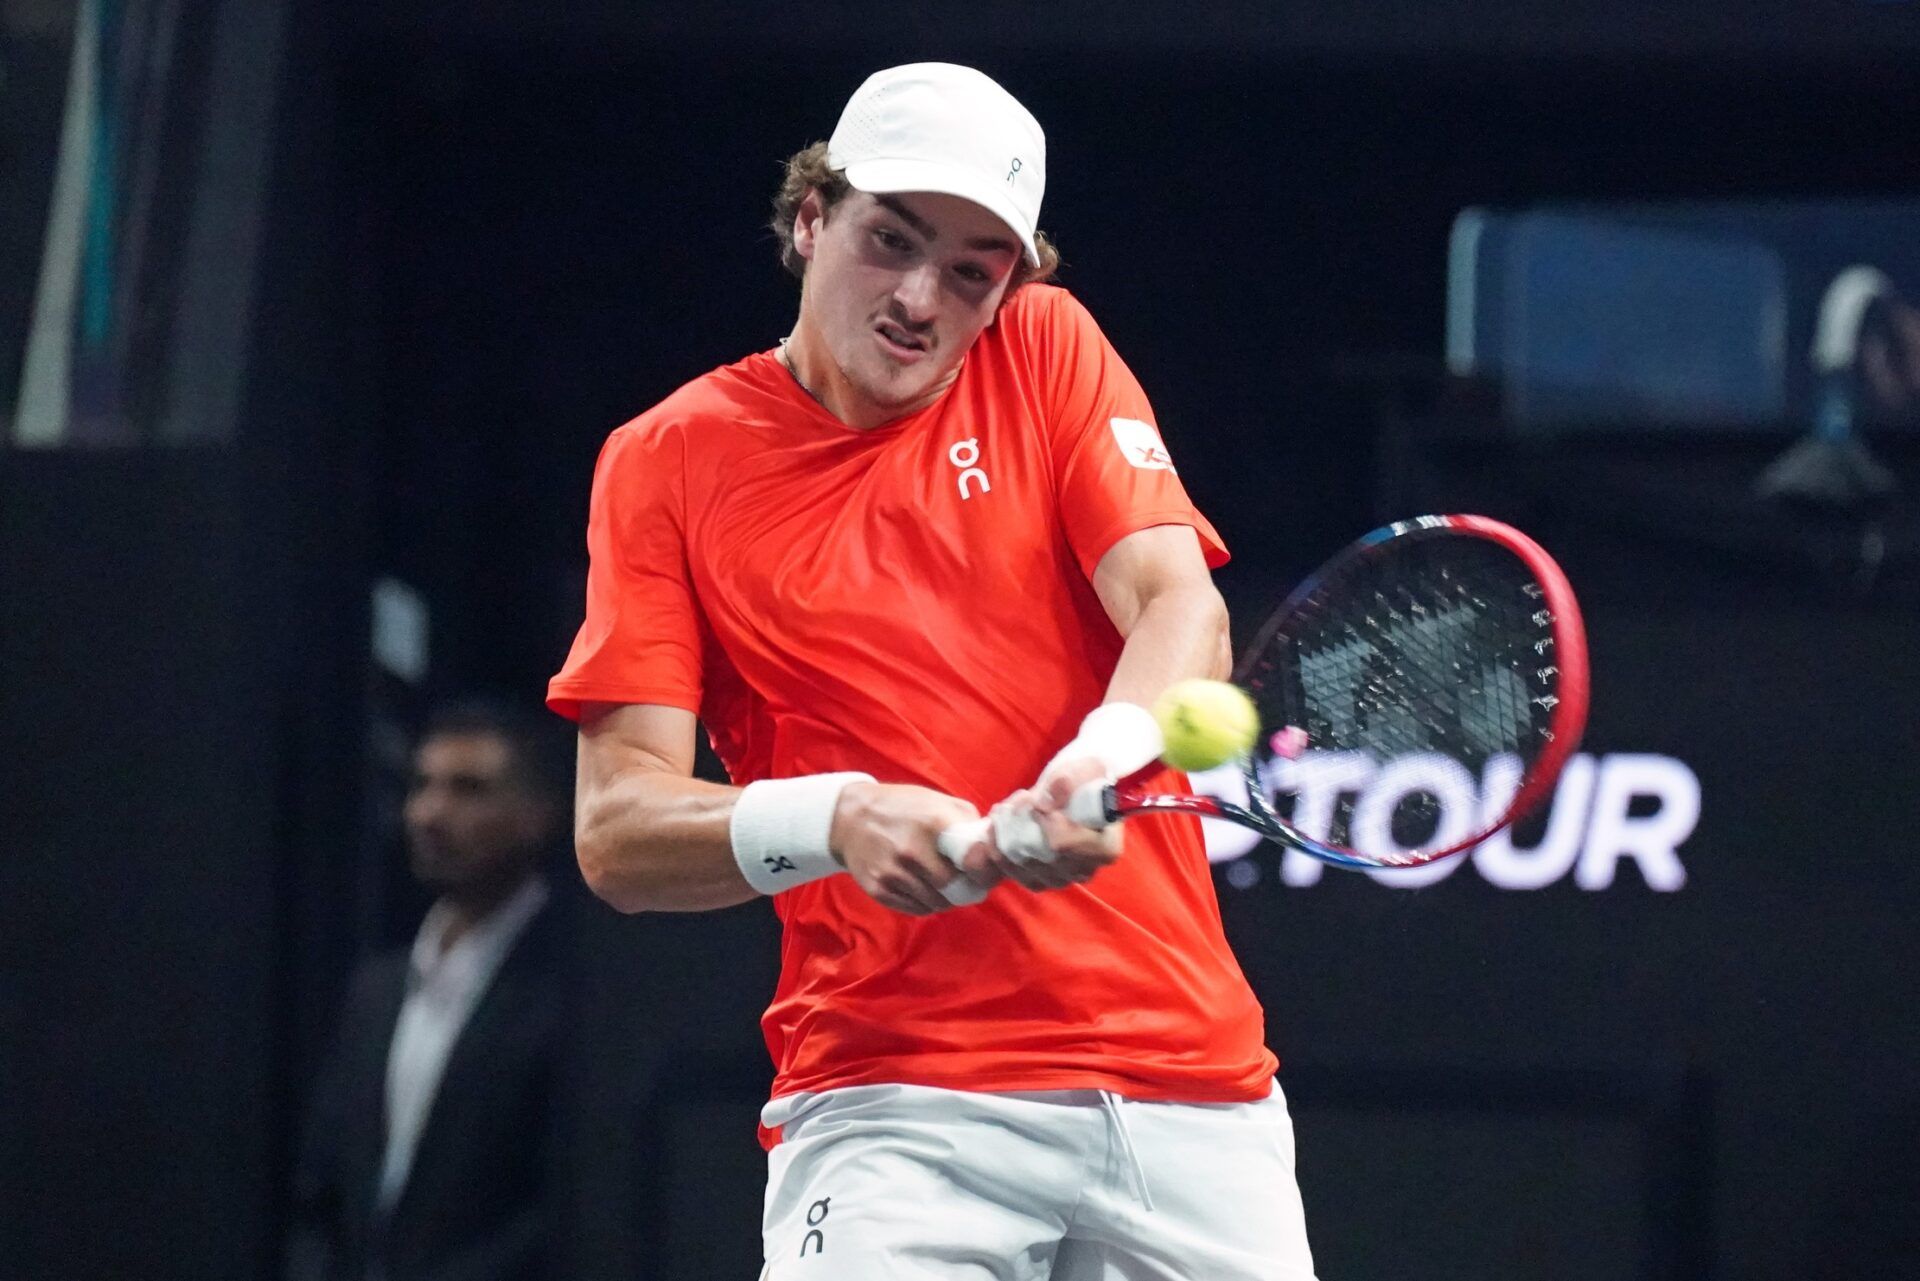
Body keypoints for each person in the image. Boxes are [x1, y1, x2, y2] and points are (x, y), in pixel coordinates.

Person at [549, 63, 1316, 1279]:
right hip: (895, 1109)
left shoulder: (1045, 349)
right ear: (810, 219)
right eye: (888, 240)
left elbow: (1178, 604)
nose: (920, 298)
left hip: (1188, 1091)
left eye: (972, 269)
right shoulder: (665, 462)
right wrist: (838, 820)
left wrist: (1097, 761)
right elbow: (618, 835)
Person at [288, 699, 571, 1281]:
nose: (429, 813)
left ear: (539, 812)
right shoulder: (379, 988)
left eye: (469, 789)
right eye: (423, 785)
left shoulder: (572, 989)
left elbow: (567, 1203)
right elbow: (323, 1185)